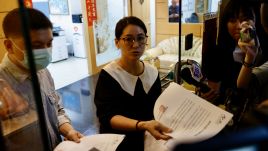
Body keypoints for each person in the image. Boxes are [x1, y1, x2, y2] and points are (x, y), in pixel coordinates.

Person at [0, 8, 83, 149]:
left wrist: (69, 130)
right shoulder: (2, 85)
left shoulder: (43, 72)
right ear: (9, 46)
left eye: (49, 43)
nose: (45, 51)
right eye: (36, 46)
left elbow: (56, 109)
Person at [94, 16, 172, 151]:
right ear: (117, 42)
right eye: (128, 39)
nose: (136, 45)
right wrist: (142, 125)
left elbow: (158, 107)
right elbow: (108, 117)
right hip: (119, 142)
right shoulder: (109, 75)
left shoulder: (152, 72)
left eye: (141, 38)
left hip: (149, 138)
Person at [202, 0, 263, 105]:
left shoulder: (262, 50)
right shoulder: (216, 54)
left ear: (255, 20)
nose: (239, 26)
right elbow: (213, 94)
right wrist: (206, 97)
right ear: (225, 24)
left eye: (245, 19)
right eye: (232, 20)